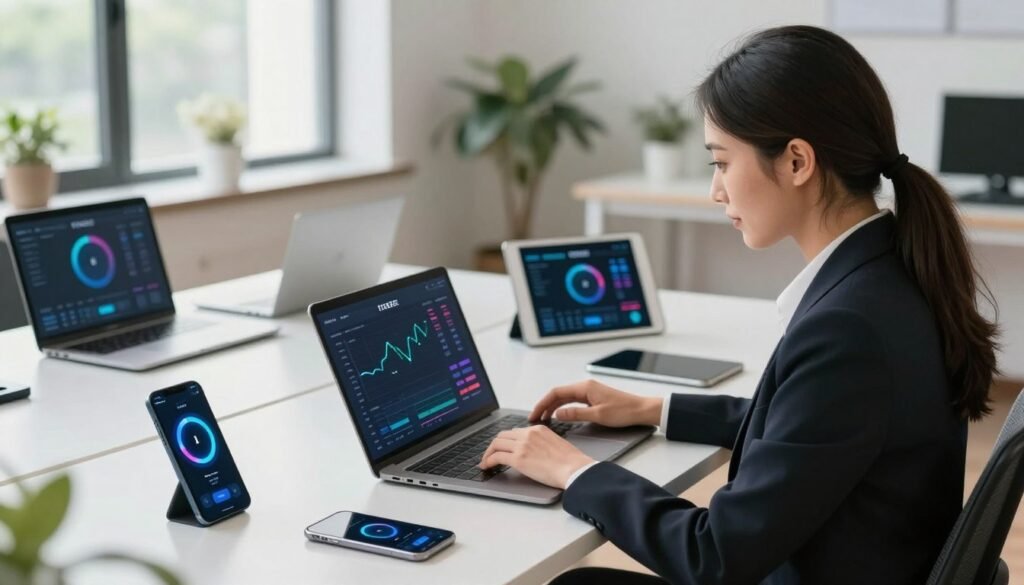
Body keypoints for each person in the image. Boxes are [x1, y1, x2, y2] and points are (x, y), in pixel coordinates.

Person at [478, 25, 1000, 585]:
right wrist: (654, 409)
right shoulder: (892, 271)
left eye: (722, 162)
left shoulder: (848, 329)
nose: (716, 190)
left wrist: (576, 471)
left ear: (797, 161)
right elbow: (812, 431)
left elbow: (716, 557)